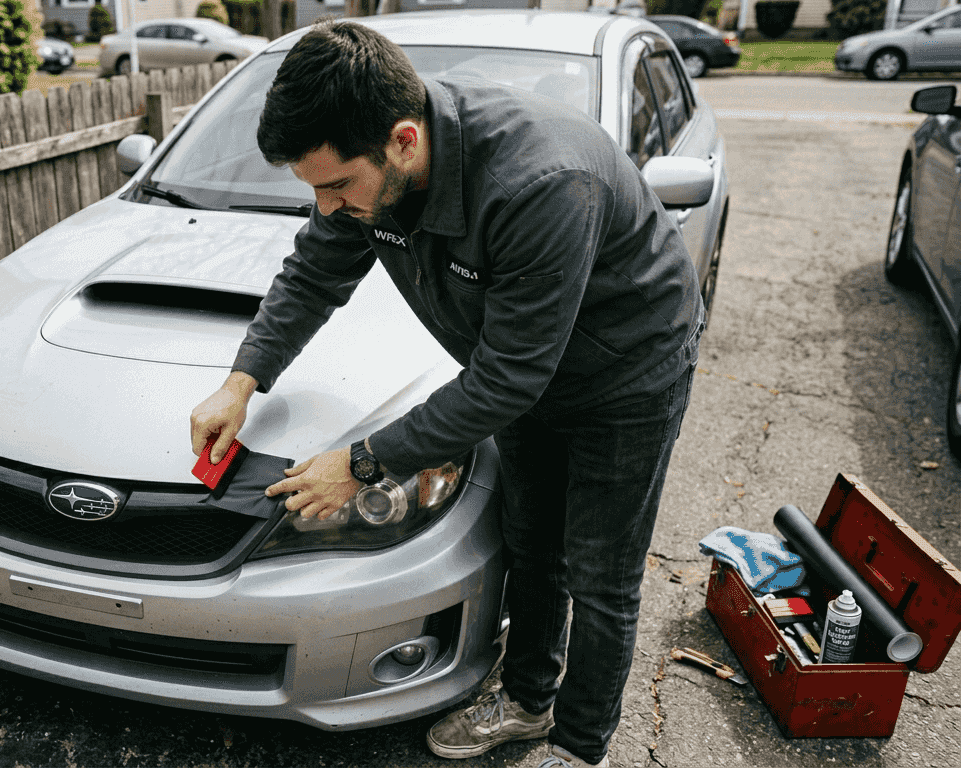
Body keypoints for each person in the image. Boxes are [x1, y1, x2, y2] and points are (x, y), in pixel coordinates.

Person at [189, 20, 703, 768]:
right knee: (532, 546)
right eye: (315, 190)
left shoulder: (541, 182)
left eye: (336, 186)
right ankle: (528, 702)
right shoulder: (370, 176)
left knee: (600, 575)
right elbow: (313, 274)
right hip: (518, 372)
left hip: (625, 375)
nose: (327, 207)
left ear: (403, 138)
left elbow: (508, 379)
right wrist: (242, 381)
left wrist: (362, 462)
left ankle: (579, 745)